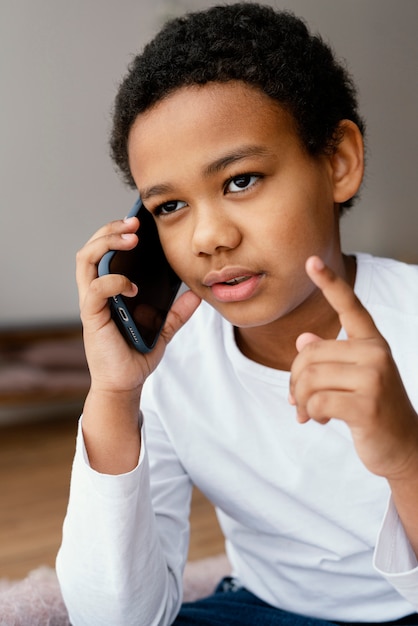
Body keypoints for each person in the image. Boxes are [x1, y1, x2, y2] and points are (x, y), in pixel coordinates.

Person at [56, 3, 418, 625]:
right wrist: (114, 396)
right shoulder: (170, 362)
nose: (208, 237)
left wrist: (405, 456)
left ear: (338, 161)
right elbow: (116, 617)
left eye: (242, 181)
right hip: (262, 610)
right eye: (169, 206)